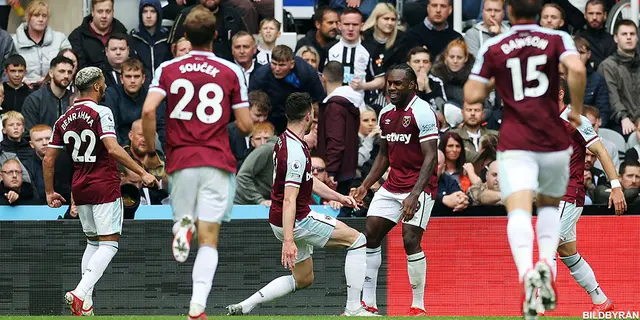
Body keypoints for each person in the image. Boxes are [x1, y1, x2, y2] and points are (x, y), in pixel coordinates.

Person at [463, 0, 588, 316]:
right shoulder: (557, 39)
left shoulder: (495, 45)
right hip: (552, 139)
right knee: (548, 206)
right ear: (538, 12)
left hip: (516, 140)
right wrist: (574, 109)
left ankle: (526, 274)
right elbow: (576, 68)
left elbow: (472, 95)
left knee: (517, 209)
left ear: (509, 12)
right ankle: (546, 261)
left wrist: (495, 79)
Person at [140, 6, 253, 319]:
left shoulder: (168, 68)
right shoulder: (232, 71)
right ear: (216, 36)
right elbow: (245, 126)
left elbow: (148, 111)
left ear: (185, 35)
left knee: (185, 216)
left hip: (180, 160)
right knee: (210, 238)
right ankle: (197, 308)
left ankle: (181, 226)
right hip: (217, 160)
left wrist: (151, 152)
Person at [225, 92, 373, 317]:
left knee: (303, 279)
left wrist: (339, 197)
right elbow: (289, 198)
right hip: (297, 219)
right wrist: (288, 240)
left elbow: (308, 180)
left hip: (281, 218)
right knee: (357, 240)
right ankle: (354, 308)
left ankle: (246, 305)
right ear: (309, 116)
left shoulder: (286, 140)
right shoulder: (295, 151)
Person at [43, 66, 157, 316]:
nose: (105, 86)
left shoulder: (64, 117)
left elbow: (49, 158)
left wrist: (50, 192)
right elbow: (114, 149)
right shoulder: (101, 112)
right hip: (104, 183)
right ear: (96, 86)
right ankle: (80, 293)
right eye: (103, 83)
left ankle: (86, 305)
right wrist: (143, 173)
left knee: (93, 243)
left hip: (80, 186)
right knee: (109, 245)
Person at [351, 63, 439, 316]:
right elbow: (383, 155)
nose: (391, 87)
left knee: (410, 240)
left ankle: (418, 305)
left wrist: (414, 194)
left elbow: (431, 157)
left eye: (398, 83)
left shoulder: (423, 112)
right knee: (370, 235)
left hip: (419, 187)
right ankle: (369, 302)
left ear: (412, 85)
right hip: (392, 185)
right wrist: (365, 185)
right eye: (389, 83)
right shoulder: (386, 113)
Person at [552, 78, 625, 314]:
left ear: (560, 93)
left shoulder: (576, 120)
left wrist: (616, 186)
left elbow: (601, 151)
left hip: (569, 193)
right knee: (567, 252)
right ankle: (601, 301)